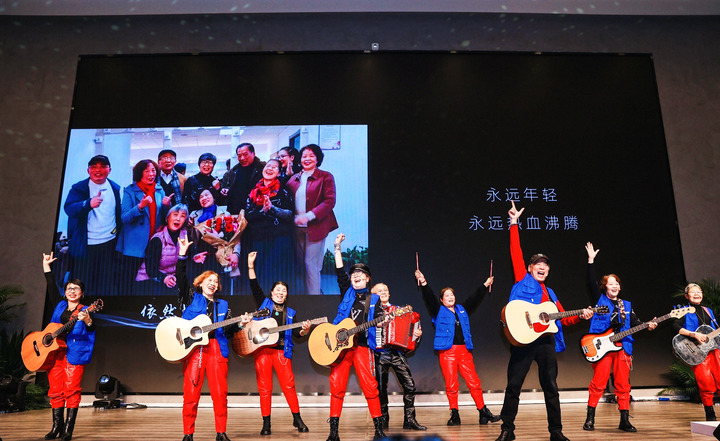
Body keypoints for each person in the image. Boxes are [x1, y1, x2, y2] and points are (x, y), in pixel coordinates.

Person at [496, 201, 594, 441]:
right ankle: (507, 430)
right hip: (523, 340)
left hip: (546, 343)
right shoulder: (522, 279)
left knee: (551, 386)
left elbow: (563, 319)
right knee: (514, 385)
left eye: (546, 266)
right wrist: (513, 223)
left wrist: (581, 315)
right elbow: (515, 251)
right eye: (538, 265)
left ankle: (556, 432)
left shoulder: (551, 295)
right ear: (530, 268)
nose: (542, 268)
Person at [176, 237, 250, 441]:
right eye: (209, 280)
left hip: (217, 349)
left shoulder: (224, 306)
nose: (213, 283)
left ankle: (221, 432)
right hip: (195, 350)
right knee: (191, 394)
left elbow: (229, 330)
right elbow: (180, 277)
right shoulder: (191, 298)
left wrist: (241, 323)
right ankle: (188, 433)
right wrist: (182, 254)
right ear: (200, 283)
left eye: (216, 282)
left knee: (220, 393)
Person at [582, 242, 656, 432]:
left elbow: (636, 322)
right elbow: (590, 282)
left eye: (617, 283)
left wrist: (648, 325)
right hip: (602, 347)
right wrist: (591, 261)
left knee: (623, 384)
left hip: (623, 347)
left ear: (620, 287)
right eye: (610, 283)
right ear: (605, 287)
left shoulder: (626, 305)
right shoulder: (599, 300)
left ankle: (624, 420)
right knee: (599, 382)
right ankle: (590, 418)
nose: (614, 286)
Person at [415, 270, 501, 427]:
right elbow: (429, 297)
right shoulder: (438, 310)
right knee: (452, 384)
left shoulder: (462, 309)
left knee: (474, 382)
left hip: (464, 351)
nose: (450, 297)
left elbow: (474, 299)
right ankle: (454, 414)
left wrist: (485, 285)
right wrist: (423, 282)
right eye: (447, 295)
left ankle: (483, 412)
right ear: (442, 300)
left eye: (452, 294)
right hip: (447, 352)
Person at [325, 233, 386, 441]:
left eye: (360, 273)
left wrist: (383, 321)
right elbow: (339, 271)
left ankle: (378, 430)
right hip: (340, 347)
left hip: (361, 346)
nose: (356, 276)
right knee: (337, 386)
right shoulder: (347, 292)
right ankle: (333, 432)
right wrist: (337, 247)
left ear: (367, 278)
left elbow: (379, 320)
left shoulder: (374, 299)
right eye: (353, 274)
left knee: (370, 386)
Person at [247, 251, 312, 436]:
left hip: (282, 352)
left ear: (287, 294)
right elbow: (254, 285)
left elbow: (297, 334)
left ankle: (297, 419)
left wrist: (305, 330)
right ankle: (266, 423)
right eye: (278, 290)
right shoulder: (264, 304)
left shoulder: (291, 313)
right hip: (263, 352)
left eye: (284, 291)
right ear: (272, 292)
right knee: (264, 388)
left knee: (289, 386)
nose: (281, 293)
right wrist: (251, 266)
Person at [41, 252, 96, 441]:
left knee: (72, 390)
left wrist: (87, 320)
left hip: (74, 353)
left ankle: (68, 430)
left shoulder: (85, 310)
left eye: (76, 288)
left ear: (82, 293)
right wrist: (46, 266)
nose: (72, 291)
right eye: (69, 288)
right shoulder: (59, 306)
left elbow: (91, 328)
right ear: (65, 292)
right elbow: (51, 286)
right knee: (55, 390)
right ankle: (56, 427)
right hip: (54, 353)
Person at [63, 154, 122, 296]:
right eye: (94, 167)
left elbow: (116, 214)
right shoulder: (79, 188)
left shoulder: (114, 187)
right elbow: (69, 209)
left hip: (109, 243)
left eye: (103, 166)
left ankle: (101, 307)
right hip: (86, 245)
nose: (98, 170)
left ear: (109, 170)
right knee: (83, 284)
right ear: (88, 170)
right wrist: (88, 204)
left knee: (105, 283)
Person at [371, 282, 426, 431]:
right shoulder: (370, 313)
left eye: (385, 290)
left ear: (389, 294)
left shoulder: (400, 311)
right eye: (379, 291)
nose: (383, 292)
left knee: (410, 385)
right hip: (379, 353)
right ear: (373, 295)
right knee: (381, 388)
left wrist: (416, 335)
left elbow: (412, 328)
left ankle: (409, 420)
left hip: (397, 353)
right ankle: (383, 419)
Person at [286, 144, 338, 294]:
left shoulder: (325, 177)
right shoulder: (294, 178)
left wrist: (308, 216)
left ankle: (314, 299)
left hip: (316, 227)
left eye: (311, 156)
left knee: (311, 265)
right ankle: (305, 296)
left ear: (317, 159)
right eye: (304, 156)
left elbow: (329, 201)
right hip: (296, 229)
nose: (307, 159)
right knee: (301, 265)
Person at [116, 159, 171, 293]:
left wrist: (167, 206)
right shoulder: (130, 191)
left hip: (153, 242)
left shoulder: (159, 190)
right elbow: (124, 218)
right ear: (140, 173)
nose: (151, 174)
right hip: (134, 245)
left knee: (147, 281)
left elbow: (162, 216)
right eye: (147, 171)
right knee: (128, 281)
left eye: (153, 170)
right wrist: (140, 207)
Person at [245, 158, 298, 289]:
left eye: (274, 167)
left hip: (279, 239)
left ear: (279, 173)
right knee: (261, 274)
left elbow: (290, 214)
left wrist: (272, 209)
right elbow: (248, 215)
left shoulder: (284, 190)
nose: (270, 169)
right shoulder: (253, 191)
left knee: (278, 274)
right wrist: (263, 211)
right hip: (259, 238)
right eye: (268, 166)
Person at [673, 283, 720, 422]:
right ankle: (710, 414)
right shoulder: (683, 310)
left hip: (714, 350)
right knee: (705, 383)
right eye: (693, 292)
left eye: (699, 291)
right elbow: (675, 326)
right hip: (697, 352)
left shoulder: (708, 310)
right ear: (686, 296)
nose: (696, 294)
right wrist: (693, 334)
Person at [134, 204, 189, 295]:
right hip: (149, 279)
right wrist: (164, 278)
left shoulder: (185, 235)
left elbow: (191, 253)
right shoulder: (158, 239)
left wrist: (196, 257)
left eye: (182, 216)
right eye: (175, 214)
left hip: (172, 278)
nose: (178, 218)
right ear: (168, 218)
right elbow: (150, 269)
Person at [221, 142, 266, 215]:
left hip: (256, 211)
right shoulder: (234, 171)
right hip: (236, 211)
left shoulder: (262, 169)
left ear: (253, 154)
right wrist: (227, 190)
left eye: (245, 154)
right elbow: (233, 188)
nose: (242, 158)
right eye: (239, 156)